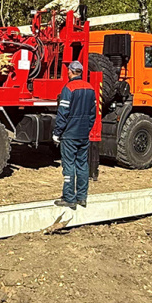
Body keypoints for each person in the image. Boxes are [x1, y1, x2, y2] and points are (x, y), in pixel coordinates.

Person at [52, 60, 97, 208]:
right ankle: (82, 197)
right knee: (83, 165)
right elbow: (93, 114)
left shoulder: (69, 88)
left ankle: (69, 198)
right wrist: (87, 129)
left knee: (68, 166)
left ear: (70, 71)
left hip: (70, 135)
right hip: (83, 135)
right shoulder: (91, 89)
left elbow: (63, 113)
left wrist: (57, 132)